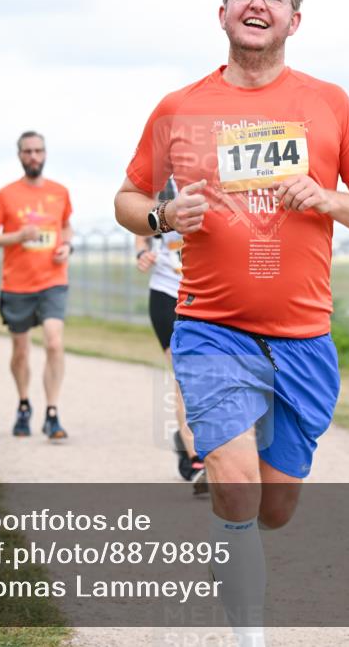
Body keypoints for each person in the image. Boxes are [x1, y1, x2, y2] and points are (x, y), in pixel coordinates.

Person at [113, 0, 349, 642]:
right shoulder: (178, 108)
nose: (257, 2)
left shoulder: (329, 104)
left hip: (303, 337)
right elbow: (129, 196)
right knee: (236, 486)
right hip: (212, 327)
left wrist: (329, 199)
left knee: (275, 509)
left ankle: (235, 532)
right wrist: (159, 216)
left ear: (296, 19)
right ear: (222, 14)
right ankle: (249, 634)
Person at [0, 131, 73, 440]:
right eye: (27, 151)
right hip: (17, 284)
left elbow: (65, 226)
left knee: (53, 342)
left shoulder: (60, 192)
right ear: (19, 155)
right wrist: (17, 237)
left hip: (53, 280)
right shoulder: (6, 194)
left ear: (46, 153)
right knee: (20, 351)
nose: (33, 156)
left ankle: (52, 413)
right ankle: (24, 405)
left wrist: (67, 247)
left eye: (38, 150)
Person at [135, 178, 206, 494]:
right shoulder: (161, 185)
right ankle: (196, 460)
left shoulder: (212, 177)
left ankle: (187, 436)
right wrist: (143, 253)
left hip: (206, 294)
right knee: (183, 375)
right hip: (166, 292)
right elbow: (141, 227)